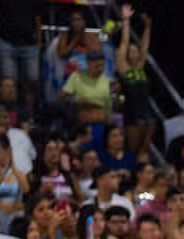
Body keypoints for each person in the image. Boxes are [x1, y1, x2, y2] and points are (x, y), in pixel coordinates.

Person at [115, 6, 155, 161]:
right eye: (130, 51)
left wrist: (147, 27)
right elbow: (124, 42)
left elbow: (145, 46)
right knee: (132, 152)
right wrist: (126, 20)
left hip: (147, 115)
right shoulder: (124, 69)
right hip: (133, 114)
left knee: (144, 153)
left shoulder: (139, 68)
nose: (134, 52)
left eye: (135, 50)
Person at [61, 48, 114, 129]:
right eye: (97, 66)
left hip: (103, 123)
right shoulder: (76, 77)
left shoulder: (107, 81)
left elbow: (109, 106)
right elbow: (61, 97)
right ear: (88, 63)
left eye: (102, 66)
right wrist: (74, 99)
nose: (100, 69)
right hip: (83, 125)